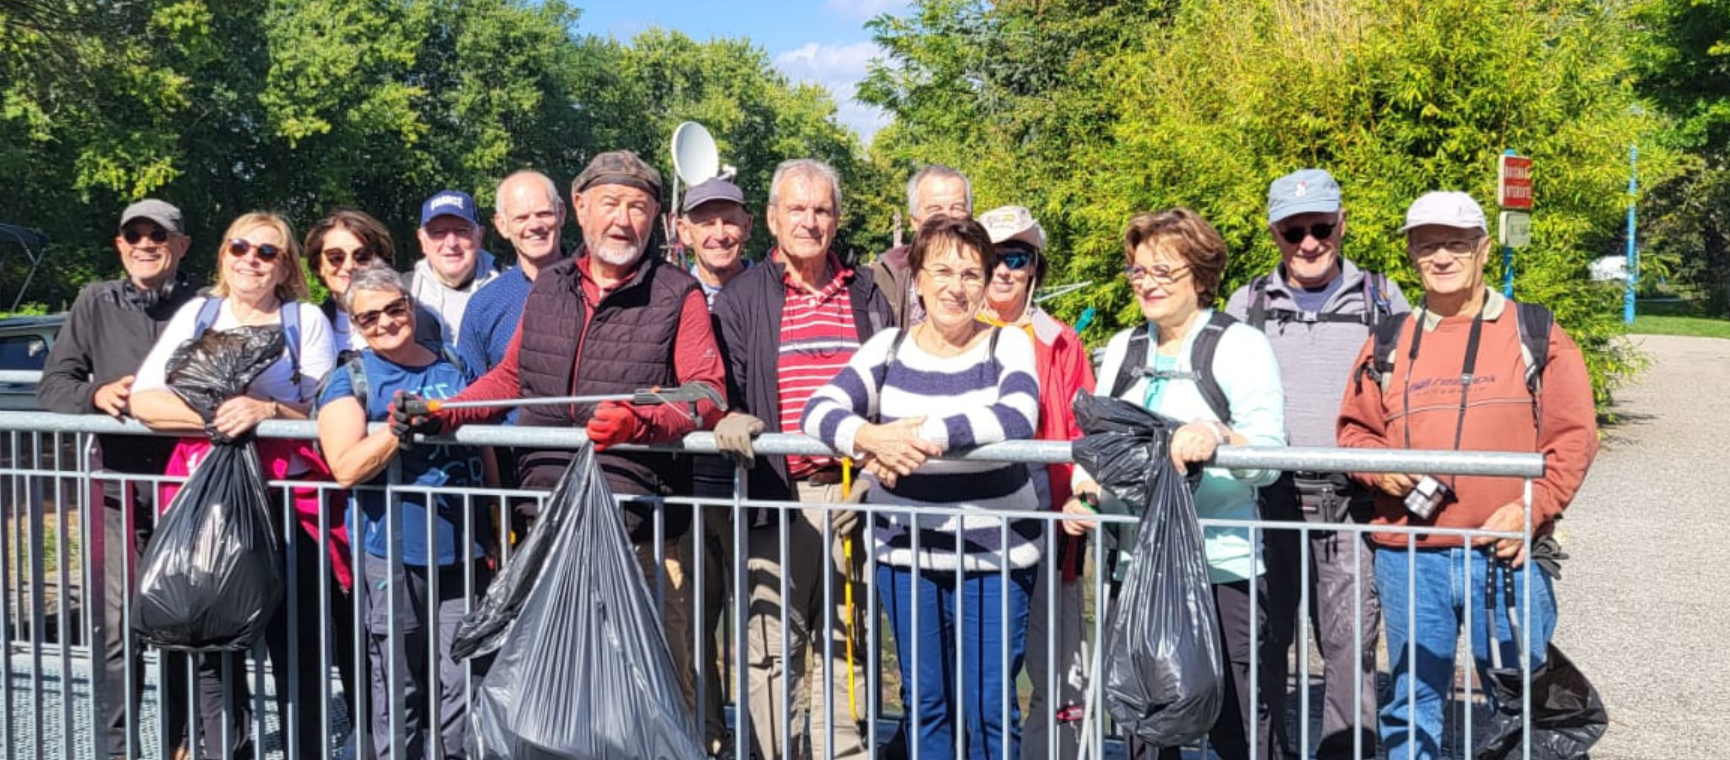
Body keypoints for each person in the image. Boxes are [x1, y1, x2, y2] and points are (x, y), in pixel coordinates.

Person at [414, 149, 725, 721]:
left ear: (656, 218)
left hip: (639, 531)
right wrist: (444, 413)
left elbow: (706, 393)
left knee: (650, 692)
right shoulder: (550, 287)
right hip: (547, 522)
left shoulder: (676, 292)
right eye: (610, 203)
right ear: (580, 207)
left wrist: (640, 422)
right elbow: (510, 378)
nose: (622, 219)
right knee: (559, 694)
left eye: (638, 207)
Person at [1336, 192, 1598, 760]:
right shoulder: (1387, 338)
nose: (1443, 257)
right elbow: (1353, 434)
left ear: (1482, 249)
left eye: (1457, 243)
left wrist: (1533, 508)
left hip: (1506, 554)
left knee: (1522, 699)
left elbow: (1573, 436)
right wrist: (1381, 474)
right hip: (1410, 553)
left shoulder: (1536, 331)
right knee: (1410, 698)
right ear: (1411, 256)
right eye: (1427, 246)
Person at [804, 214, 1042, 760]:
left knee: (988, 705)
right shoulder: (888, 348)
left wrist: (920, 439)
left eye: (970, 274)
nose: (955, 288)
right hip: (906, 553)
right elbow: (820, 410)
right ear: (917, 278)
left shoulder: (1005, 346)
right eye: (942, 271)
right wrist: (869, 437)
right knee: (925, 701)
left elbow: (1017, 415)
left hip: (994, 553)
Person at [1074, 207, 1287, 760]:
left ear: (1200, 273)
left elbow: (1270, 454)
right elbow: (1102, 446)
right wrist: (1083, 493)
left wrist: (1217, 438)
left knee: (1239, 727)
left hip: (1224, 570)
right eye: (1139, 271)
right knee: (1144, 725)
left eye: (1163, 271)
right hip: (1139, 569)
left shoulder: (1239, 346)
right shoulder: (1125, 349)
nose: (1148, 284)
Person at [130, 211, 340, 760]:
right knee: (211, 646)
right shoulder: (198, 314)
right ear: (223, 255)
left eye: (267, 252)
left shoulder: (303, 321)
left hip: (284, 504)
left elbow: (322, 411)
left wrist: (267, 410)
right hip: (206, 506)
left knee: (296, 645)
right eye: (240, 247)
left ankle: (305, 749)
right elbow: (146, 401)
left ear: (285, 266)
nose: (251, 259)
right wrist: (221, 414)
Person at [1222, 169, 1410, 760]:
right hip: (1264, 502)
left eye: (1321, 227)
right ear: (1274, 232)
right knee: (1260, 645)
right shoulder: (1244, 304)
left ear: (1341, 224)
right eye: (1293, 230)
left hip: (1349, 505)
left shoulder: (1384, 302)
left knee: (1349, 647)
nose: (1308, 243)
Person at [708, 159, 891, 760]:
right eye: (797, 209)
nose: (809, 222)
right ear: (772, 218)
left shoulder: (868, 294)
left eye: (821, 210)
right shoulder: (741, 298)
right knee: (769, 647)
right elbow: (722, 387)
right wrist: (724, 418)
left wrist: (872, 474)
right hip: (777, 496)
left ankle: (844, 753)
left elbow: (891, 391)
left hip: (851, 496)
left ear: (837, 219)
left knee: (850, 643)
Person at [37, 198, 200, 760]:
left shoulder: (205, 305)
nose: (145, 244)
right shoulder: (94, 300)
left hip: (191, 493)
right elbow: (54, 385)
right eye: (134, 235)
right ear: (120, 245)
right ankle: (117, 749)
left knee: (186, 624)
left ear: (182, 246)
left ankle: (185, 742)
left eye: (159, 235)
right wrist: (94, 395)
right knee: (116, 633)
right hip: (116, 493)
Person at [317, 264, 491, 760]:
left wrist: (496, 526)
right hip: (391, 552)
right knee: (398, 679)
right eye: (370, 317)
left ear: (411, 307)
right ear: (356, 324)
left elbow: (489, 442)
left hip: (464, 550)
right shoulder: (352, 378)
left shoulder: (454, 365)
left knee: (464, 676)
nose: (386, 322)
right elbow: (346, 467)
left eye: (395, 308)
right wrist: (394, 431)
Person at [974, 205, 1098, 760]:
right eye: (995, 256)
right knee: (983, 675)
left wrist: (1083, 492)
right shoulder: (951, 334)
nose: (1004, 270)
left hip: (1050, 530)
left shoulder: (1063, 342)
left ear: (1034, 269)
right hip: (972, 534)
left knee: (1058, 675)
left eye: (1017, 257)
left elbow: (1087, 431)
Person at [679, 172, 757, 759]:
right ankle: (708, 741)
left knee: (762, 630)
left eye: (729, 219)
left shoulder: (767, 289)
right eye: (706, 220)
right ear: (683, 231)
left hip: (760, 487)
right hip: (688, 488)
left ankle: (762, 743)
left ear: (749, 227)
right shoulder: (667, 294)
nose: (720, 232)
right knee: (692, 632)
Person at [308, 209, 441, 360]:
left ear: (381, 261)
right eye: (336, 257)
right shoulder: (310, 323)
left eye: (362, 256)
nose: (349, 265)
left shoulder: (414, 319)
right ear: (319, 265)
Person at [871, 165, 973, 326]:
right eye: (935, 209)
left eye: (957, 208)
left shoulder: (992, 273)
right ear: (914, 221)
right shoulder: (880, 280)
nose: (947, 218)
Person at [411, 189, 499, 345]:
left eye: (462, 231)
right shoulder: (403, 293)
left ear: (480, 236)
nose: (451, 243)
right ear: (422, 240)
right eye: (438, 232)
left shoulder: (510, 287)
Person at [679, 176, 755, 300]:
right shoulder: (673, 300)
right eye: (708, 224)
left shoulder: (773, 292)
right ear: (685, 232)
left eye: (729, 222)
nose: (720, 236)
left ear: (746, 227)